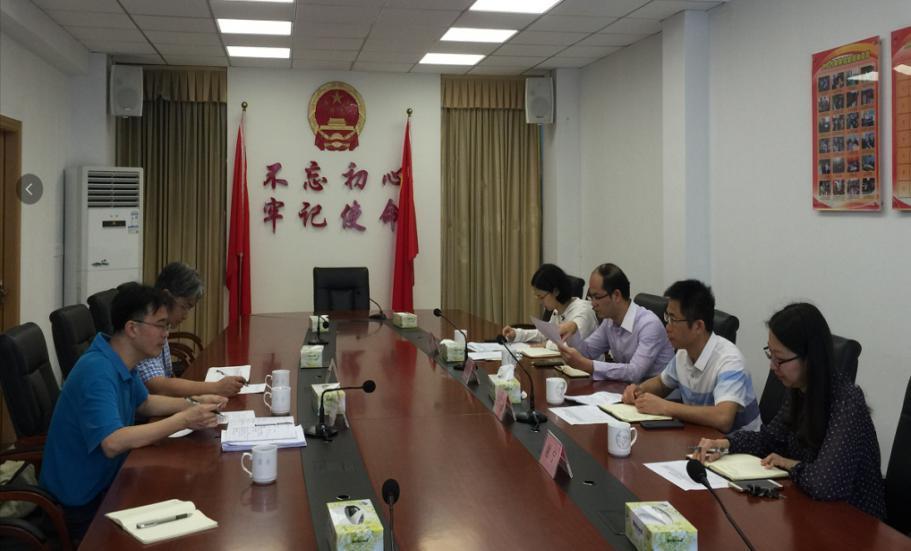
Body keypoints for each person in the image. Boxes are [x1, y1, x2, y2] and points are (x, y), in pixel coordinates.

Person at [39, 284, 227, 539]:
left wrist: (194, 402)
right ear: (132, 328)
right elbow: (113, 442)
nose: (166, 334)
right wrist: (183, 420)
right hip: (81, 504)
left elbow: (144, 402)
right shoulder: (97, 371)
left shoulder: (119, 357)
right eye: (160, 326)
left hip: (110, 481)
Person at [693, 303, 885, 519]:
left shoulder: (847, 402)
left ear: (810, 358)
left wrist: (791, 464)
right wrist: (726, 444)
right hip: (809, 509)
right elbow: (770, 440)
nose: (772, 366)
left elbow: (824, 484)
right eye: (770, 354)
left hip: (854, 520)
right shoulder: (798, 389)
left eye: (780, 359)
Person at [621, 280, 761, 433]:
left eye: (673, 319)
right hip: (700, 436)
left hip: (740, 444)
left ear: (698, 326)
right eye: (667, 317)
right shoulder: (684, 352)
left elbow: (723, 418)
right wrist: (638, 391)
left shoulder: (730, 361)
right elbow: (662, 383)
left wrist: (665, 407)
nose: (667, 326)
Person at [136, 262, 245, 397]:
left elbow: (168, 376)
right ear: (166, 297)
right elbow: (157, 386)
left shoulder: (163, 327)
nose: (186, 315)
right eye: (184, 307)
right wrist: (216, 387)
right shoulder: (145, 326)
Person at [557, 263, 674, 382]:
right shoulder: (609, 321)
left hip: (657, 392)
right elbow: (587, 352)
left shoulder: (649, 325)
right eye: (591, 297)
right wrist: (573, 331)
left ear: (616, 295)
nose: (593, 304)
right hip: (627, 388)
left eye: (597, 297)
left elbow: (634, 372)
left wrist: (589, 365)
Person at [501, 263, 598, 349]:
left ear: (556, 291)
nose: (540, 302)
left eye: (541, 297)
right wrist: (517, 334)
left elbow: (571, 346)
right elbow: (546, 335)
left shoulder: (583, 312)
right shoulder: (558, 310)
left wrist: (546, 344)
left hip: (586, 364)